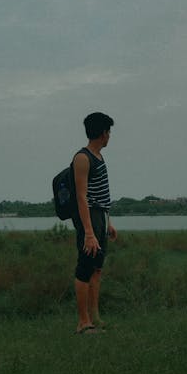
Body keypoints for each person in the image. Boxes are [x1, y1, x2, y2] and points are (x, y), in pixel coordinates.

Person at [72, 112, 117, 334]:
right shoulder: (82, 158)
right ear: (102, 133)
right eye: (108, 131)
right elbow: (82, 197)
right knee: (85, 268)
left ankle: (95, 317)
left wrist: (108, 222)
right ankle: (83, 322)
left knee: (97, 269)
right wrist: (89, 232)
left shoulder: (99, 157)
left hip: (100, 217)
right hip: (88, 217)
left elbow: (101, 195)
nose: (110, 136)